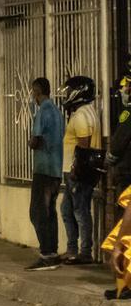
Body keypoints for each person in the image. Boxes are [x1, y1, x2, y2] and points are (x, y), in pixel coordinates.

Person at [60, 75, 102, 265]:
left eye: (70, 91)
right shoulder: (89, 111)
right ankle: (72, 249)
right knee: (68, 210)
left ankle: (84, 252)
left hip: (77, 171)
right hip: (78, 170)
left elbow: (83, 144)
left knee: (80, 211)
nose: (67, 94)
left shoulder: (81, 115)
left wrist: (76, 168)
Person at [25, 77, 65, 271]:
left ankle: (47, 253)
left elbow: (36, 140)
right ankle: (53, 251)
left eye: (33, 92)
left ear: (38, 91)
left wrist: (30, 142)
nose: (32, 95)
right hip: (56, 168)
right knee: (50, 212)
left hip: (44, 168)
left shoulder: (42, 112)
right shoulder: (58, 112)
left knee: (37, 212)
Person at [108, 75, 131, 195]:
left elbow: (119, 142)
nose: (123, 90)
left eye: (126, 86)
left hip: (127, 169)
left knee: (125, 207)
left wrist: (110, 157)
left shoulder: (128, 113)